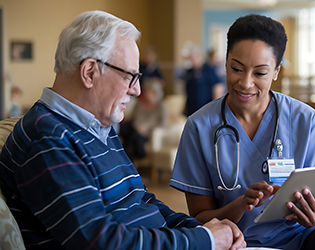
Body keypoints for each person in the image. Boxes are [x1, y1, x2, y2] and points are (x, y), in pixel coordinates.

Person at [0, 10, 246, 250]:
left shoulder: (99, 126)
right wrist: (206, 241)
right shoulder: (47, 139)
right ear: (89, 72)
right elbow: (101, 241)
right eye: (131, 76)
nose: (137, 90)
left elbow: (143, 200)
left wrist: (200, 231)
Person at [170, 14, 315, 250]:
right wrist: (240, 205)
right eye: (236, 68)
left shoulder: (304, 119)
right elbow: (199, 218)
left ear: (276, 71)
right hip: (240, 238)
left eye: (260, 73)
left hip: (306, 232)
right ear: (226, 63)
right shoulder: (199, 126)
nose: (246, 83)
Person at [119, 77, 168, 160]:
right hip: (134, 128)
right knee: (125, 130)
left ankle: (127, 161)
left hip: (147, 133)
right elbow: (133, 118)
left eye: (147, 91)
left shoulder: (161, 106)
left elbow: (163, 124)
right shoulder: (139, 104)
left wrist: (146, 128)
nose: (144, 93)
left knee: (132, 139)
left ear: (154, 92)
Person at [181, 45, 225, 117]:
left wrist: (216, 108)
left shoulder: (209, 70)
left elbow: (218, 87)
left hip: (206, 110)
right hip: (191, 110)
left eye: (192, 58)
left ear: (198, 56)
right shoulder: (189, 72)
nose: (191, 60)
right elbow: (188, 92)